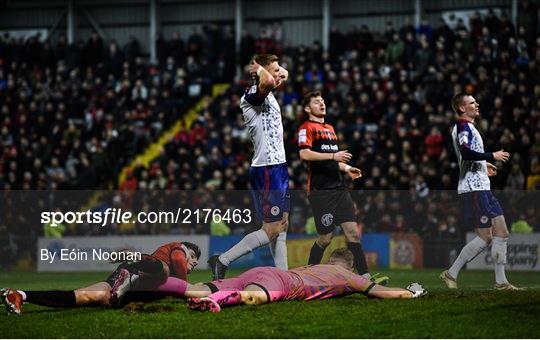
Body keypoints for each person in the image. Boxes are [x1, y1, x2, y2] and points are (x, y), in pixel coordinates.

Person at [208, 54, 290, 279]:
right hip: (266, 169)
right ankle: (222, 260)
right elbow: (269, 81)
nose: (278, 74)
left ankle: (283, 276)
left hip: (278, 167)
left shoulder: (269, 89)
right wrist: (260, 70)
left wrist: (268, 66)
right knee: (271, 228)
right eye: (273, 70)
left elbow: (284, 74)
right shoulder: (252, 95)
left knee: (282, 223)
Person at [153, 248, 426, 313]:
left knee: (195, 286)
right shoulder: (348, 277)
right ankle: (213, 302)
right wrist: (412, 293)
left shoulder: (315, 265)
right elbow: (381, 291)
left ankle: (147, 284)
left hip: (266, 271)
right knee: (253, 297)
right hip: (283, 284)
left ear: (330, 260)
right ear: (350, 266)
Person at [297, 91, 387, 283]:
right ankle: (308, 275)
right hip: (321, 192)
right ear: (307, 108)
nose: (322, 104)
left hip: (339, 189)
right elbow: (305, 154)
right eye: (316, 102)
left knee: (353, 233)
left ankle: (365, 277)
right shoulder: (306, 128)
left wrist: (347, 168)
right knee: (326, 238)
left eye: (322, 101)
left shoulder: (330, 128)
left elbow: (333, 161)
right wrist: (333, 156)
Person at [440, 93, 519, 290]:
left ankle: (501, 282)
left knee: (502, 232)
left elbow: (467, 157)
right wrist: (492, 155)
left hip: (483, 187)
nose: (476, 104)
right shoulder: (462, 126)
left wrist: (484, 165)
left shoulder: (470, 127)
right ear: (461, 108)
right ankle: (451, 273)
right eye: (472, 102)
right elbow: (465, 153)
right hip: (473, 188)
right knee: (486, 237)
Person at [1, 241, 201, 314]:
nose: (193, 263)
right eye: (192, 258)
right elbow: (180, 271)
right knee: (163, 271)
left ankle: (20, 295)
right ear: (186, 251)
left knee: (85, 296)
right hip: (137, 271)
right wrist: (191, 291)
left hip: (125, 281)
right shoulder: (177, 251)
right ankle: (132, 266)